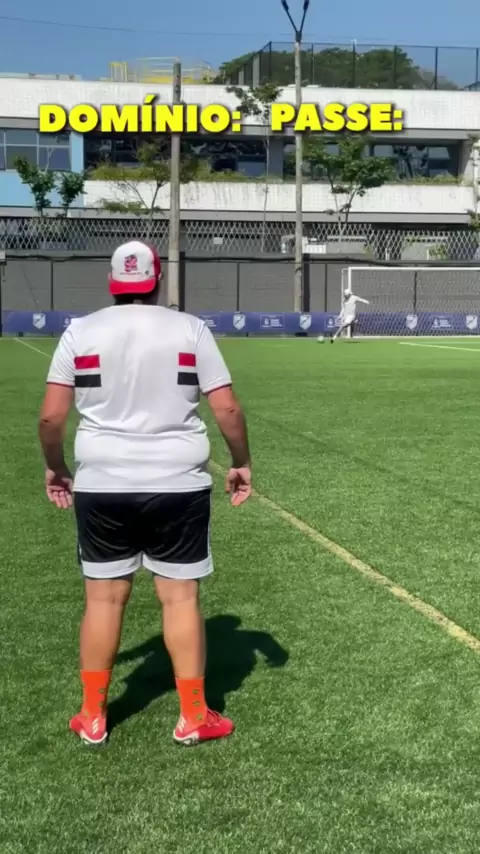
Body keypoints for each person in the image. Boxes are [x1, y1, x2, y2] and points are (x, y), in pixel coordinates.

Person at [38, 240, 252, 747]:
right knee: (179, 597)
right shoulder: (190, 329)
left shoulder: (80, 331)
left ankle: (93, 715)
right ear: (156, 281)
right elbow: (226, 409)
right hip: (177, 482)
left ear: (112, 283)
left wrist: (55, 467)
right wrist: (241, 461)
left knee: (103, 599)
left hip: (102, 482)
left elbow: (50, 417)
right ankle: (194, 716)